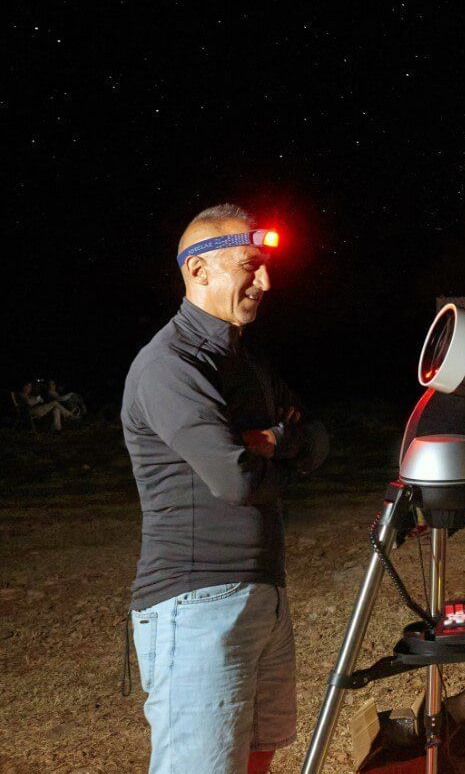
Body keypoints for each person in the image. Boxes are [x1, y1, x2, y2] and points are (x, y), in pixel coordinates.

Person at [122, 203, 327, 774]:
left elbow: (315, 443)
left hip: (264, 594)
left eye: (265, 268)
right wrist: (273, 445)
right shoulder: (170, 364)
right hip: (195, 606)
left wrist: (269, 441)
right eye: (250, 265)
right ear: (199, 271)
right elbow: (234, 479)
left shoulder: (244, 361)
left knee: (258, 757)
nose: (265, 282)